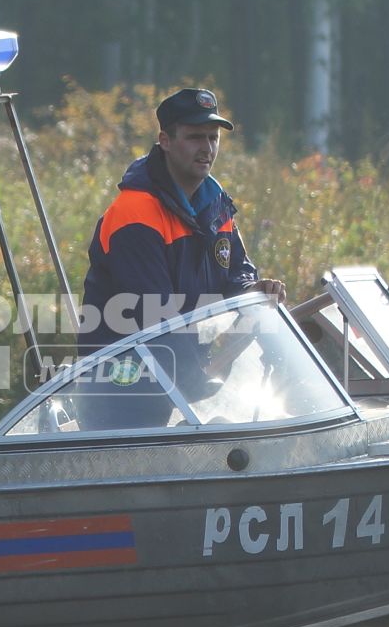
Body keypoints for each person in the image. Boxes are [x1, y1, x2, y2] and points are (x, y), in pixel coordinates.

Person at [76, 88, 285, 419]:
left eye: (213, 137)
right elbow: (157, 319)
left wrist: (252, 290)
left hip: (181, 384)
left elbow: (236, 273)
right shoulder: (134, 215)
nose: (207, 148)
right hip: (123, 393)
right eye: (194, 137)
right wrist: (204, 386)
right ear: (165, 141)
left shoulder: (217, 206)